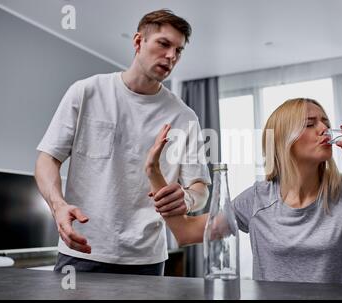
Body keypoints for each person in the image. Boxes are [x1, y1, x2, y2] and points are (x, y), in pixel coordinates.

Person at [145, 98, 342, 284]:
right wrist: (154, 174)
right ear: (282, 140)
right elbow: (186, 232)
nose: (325, 129)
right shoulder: (257, 198)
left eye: (324, 121)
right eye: (310, 124)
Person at [34, 9, 211, 275]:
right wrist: (58, 206)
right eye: (164, 44)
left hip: (146, 261)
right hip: (81, 251)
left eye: (179, 50)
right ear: (139, 42)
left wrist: (188, 199)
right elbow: (47, 158)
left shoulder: (184, 117)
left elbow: (200, 189)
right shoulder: (86, 92)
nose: (171, 56)